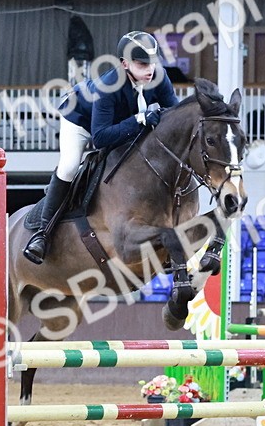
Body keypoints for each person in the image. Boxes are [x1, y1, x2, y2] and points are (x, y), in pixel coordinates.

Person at [23, 30, 180, 264]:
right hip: (80, 120)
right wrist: (139, 119)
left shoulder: (159, 76)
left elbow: (173, 114)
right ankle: (42, 234)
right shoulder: (108, 86)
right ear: (125, 64)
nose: (150, 70)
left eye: (152, 63)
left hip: (119, 122)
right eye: (142, 64)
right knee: (69, 167)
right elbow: (100, 138)